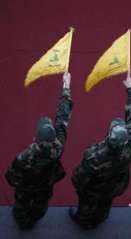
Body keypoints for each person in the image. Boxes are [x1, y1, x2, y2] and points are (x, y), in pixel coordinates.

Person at [69, 74, 131, 229]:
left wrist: (80, 188)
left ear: (109, 136)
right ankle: (100, 219)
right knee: (105, 204)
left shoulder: (94, 155)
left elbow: (78, 178)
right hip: (113, 187)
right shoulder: (130, 147)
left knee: (86, 207)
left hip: (93, 190)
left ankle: (84, 220)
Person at [5, 72, 73, 229]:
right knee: (41, 205)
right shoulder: (58, 146)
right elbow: (63, 118)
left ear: (36, 137)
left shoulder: (25, 156)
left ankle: (22, 220)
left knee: (21, 205)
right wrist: (66, 86)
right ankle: (34, 219)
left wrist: (22, 185)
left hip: (26, 189)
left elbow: (10, 177)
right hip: (45, 186)